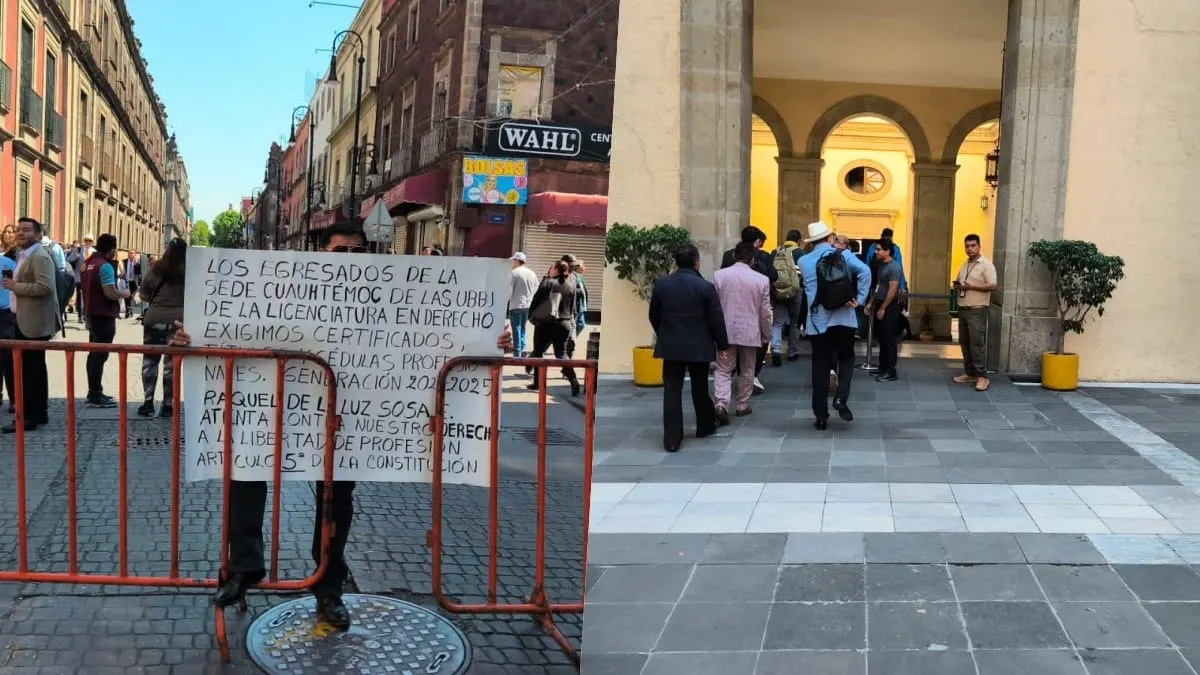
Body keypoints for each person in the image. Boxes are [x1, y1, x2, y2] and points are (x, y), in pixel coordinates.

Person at [170, 220, 516, 629]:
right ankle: (244, 567)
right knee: (243, 473)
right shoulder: (289, 288)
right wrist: (190, 341)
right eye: (340, 252)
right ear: (322, 253)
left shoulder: (391, 295)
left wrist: (492, 338)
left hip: (348, 420)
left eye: (357, 252)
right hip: (276, 408)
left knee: (336, 504)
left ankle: (328, 585)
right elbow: (236, 328)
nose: (349, 260)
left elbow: (444, 331)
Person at [649, 244, 728, 452]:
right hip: (699, 345)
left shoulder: (662, 284)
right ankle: (705, 425)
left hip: (672, 344)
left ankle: (672, 438)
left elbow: (654, 315)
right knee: (699, 387)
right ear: (696, 262)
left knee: (672, 389)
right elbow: (716, 319)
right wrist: (722, 345)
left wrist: (664, 333)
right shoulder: (705, 287)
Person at [797, 222, 871, 430]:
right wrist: (861, 299)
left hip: (818, 321)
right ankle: (841, 398)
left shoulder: (804, 261)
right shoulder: (843, 255)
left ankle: (821, 415)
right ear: (830, 237)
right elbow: (865, 272)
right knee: (846, 358)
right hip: (844, 318)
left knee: (820, 365)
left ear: (812, 241)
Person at [2, 218, 61, 433]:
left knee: (30, 371)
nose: (21, 233)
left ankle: (30, 417)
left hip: (33, 323)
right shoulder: (23, 254)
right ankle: (38, 413)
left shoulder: (39, 256)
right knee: (32, 369)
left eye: (26, 230)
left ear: (37, 233)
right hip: (23, 319)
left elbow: (44, 287)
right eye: (19, 230)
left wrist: (15, 286)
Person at [713, 242, 772, 422]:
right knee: (747, 369)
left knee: (723, 368)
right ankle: (742, 404)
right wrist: (766, 334)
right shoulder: (761, 280)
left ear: (733, 256)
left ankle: (721, 403)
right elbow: (765, 312)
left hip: (726, 330)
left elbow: (713, 306)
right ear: (753, 259)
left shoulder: (719, 276)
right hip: (750, 330)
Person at [720, 226, 777, 393]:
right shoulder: (762, 256)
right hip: (755, 303)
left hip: (731, 305)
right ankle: (750, 380)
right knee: (756, 346)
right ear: (757, 241)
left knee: (731, 345)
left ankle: (730, 384)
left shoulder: (728, 255)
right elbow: (773, 276)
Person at [137, 239, 186, 417]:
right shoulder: (188, 272)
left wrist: (157, 302)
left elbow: (142, 294)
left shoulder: (156, 268)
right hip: (178, 322)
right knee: (171, 365)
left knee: (150, 361)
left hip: (154, 318)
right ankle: (168, 405)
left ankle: (148, 403)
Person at [80, 234, 129, 408]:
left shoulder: (87, 263)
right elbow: (109, 292)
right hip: (104, 314)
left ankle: (94, 391)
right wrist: (123, 294)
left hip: (91, 312)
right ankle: (95, 395)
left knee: (93, 353)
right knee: (100, 355)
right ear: (112, 249)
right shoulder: (105, 266)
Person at [526, 261, 581, 396]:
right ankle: (574, 381)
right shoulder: (572, 284)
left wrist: (532, 316)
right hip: (564, 323)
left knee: (538, 353)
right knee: (562, 354)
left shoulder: (548, 282)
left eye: (552, 268)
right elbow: (573, 307)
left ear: (555, 270)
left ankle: (538, 382)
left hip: (545, 323)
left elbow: (536, 300)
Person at [953, 233, 998, 392]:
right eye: (967, 246)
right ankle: (970, 373)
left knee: (977, 344)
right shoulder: (965, 264)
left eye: (973, 246)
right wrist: (959, 286)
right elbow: (961, 282)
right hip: (963, 307)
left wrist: (971, 287)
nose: (970, 249)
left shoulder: (986, 265)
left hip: (977, 309)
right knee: (964, 342)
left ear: (979, 246)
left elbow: (993, 286)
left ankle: (982, 377)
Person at [864, 239, 905, 382]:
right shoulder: (881, 266)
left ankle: (891, 371)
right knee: (882, 337)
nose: (876, 252)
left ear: (887, 251)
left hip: (890, 306)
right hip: (880, 303)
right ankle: (882, 367)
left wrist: (883, 308)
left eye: (879, 249)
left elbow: (892, 290)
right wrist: (871, 303)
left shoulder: (894, 268)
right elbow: (879, 288)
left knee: (889, 339)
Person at [768, 229, 805, 365]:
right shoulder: (801, 253)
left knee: (777, 322)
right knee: (795, 322)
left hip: (778, 291)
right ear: (799, 241)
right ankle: (792, 352)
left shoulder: (775, 252)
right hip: (795, 291)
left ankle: (776, 350)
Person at [508, 252, 538, 357]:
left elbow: (509, 290)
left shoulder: (514, 273)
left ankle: (517, 352)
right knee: (523, 327)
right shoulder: (532, 273)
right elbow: (536, 288)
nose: (512, 262)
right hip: (527, 305)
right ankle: (523, 348)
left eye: (513, 260)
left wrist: (506, 301)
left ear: (517, 260)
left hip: (516, 304)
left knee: (516, 327)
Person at [0, 252, 18, 412]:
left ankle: (14, 399)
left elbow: (16, 285)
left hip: (6, 315)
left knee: (8, 359)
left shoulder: (7, 263)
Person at [66, 235, 95, 322]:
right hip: (79, 277)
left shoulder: (95, 252)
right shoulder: (78, 250)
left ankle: (86, 314)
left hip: (90, 278)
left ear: (92, 242)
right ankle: (80, 315)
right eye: (86, 240)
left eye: (90, 241)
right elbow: (68, 259)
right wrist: (75, 256)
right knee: (80, 296)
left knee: (88, 297)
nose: (88, 242)